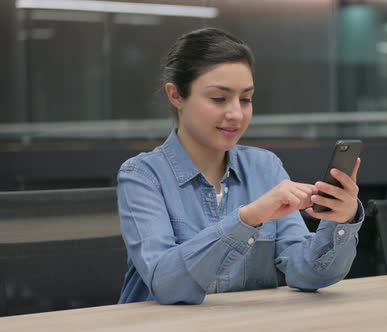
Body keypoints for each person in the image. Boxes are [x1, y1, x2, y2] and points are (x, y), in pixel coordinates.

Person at [116, 27, 365, 305]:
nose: (236, 113)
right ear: (175, 95)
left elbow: (306, 273)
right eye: (219, 99)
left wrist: (340, 221)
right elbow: (167, 284)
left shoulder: (265, 166)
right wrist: (248, 218)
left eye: (245, 99)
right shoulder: (142, 176)